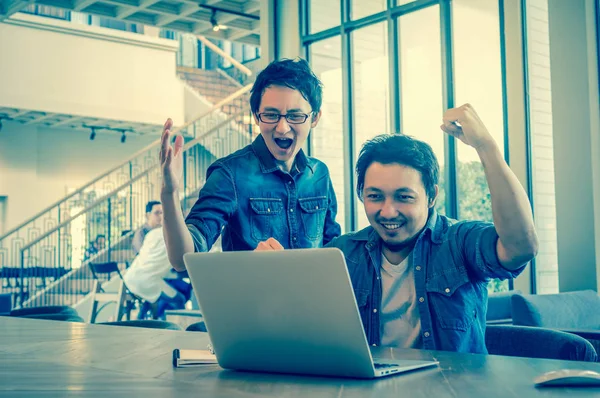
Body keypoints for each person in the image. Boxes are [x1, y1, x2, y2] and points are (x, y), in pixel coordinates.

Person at [256, 104, 539, 354]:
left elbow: (520, 247)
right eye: (375, 196)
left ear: (431, 196)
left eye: (404, 197)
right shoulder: (341, 254)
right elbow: (305, 329)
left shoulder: (459, 242)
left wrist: (485, 146)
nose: (387, 211)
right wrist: (280, 277)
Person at [159, 58, 342, 271]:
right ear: (256, 117)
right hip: (255, 303)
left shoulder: (319, 174)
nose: (282, 128)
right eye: (271, 115)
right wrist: (169, 194)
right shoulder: (229, 174)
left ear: (315, 118)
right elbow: (183, 259)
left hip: (310, 303)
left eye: (295, 116)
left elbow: (332, 252)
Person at [123, 228, 191, 320]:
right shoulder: (181, 237)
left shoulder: (152, 233)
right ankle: (182, 326)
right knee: (180, 299)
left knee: (151, 297)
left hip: (129, 278)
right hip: (147, 281)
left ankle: (145, 320)